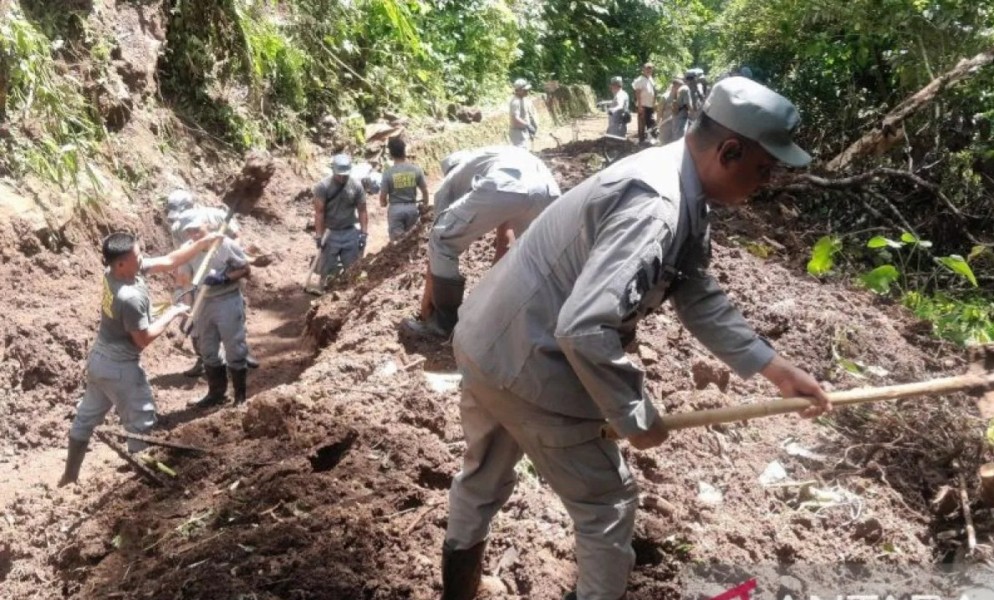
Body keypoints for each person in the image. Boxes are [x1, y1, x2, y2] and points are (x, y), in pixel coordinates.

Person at [439, 77, 832, 600]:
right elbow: (585, 326)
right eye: (763, 169)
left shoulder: (677, 180)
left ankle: (457, 590)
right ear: (730, 150)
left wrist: (774, 369)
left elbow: (696, 293)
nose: (766, 183)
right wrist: (633, 412)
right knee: (607, 505)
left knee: (482, 475)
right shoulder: (657, 203)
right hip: (530, 362)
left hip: (487, 341)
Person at [58, 230, 223, 487]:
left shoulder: (115, 273)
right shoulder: (129, 298)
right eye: (137, 255)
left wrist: (201, 244)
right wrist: (172, 313)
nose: (142, 257)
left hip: (99, 362)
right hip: (121, 369)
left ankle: (69, 477)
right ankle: (139, 490)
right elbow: (143, 339)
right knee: (141, 423)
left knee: (86, 418)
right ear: (122, 263)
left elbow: (169, 260)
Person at [403, 146, 561, 339]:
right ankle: (539, 322)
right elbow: (506, 243)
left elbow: (438, 246)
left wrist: (427, 304)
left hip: (506, 186)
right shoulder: (493, 161)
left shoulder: (451, 182)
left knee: (442, 239)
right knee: (536, 254)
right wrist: (489, 294)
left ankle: (443, 325)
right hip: (550, 190)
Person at [179, 214, 253, 408]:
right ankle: (216, 394)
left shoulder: (225, 245)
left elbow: (246, 270)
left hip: (227, 300)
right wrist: (188, 312)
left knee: (234, 348)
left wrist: (225, 278)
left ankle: (240, 397)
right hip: (202, 303)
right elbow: (186, 283)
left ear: (208, 227)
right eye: (190, 231)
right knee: (207, 349)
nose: (194, 235)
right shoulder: (187, 250)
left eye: (198, 230)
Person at [312, 153, 369, 285]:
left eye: (345, 175)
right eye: (340, 175)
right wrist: (319, 235)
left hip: (350, 233)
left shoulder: (356, 186)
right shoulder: (323, 187)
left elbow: (362, 210)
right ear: (333, 170)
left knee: (352, 270)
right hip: (330, 233)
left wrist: (364, 233)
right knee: (327, 271)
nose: (342, 177)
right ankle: (323, 293)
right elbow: (319, 213)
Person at [379, 137, 429, 241]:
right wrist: (425, 205)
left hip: (395, 210)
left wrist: (383, 203)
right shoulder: (416, 170)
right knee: (411, 242)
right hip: (412, 209)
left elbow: (382, 198)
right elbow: (425, 191)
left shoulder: (388, 173)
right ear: (404, 151)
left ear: (391, 154)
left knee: (398, 245)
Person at [508, 78, 538, 150]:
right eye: (525, 90)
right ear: (518, 91)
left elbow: (527, 114)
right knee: (521, 152)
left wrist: (532, 125)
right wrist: (527, 125)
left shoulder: (523, 99)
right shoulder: (515, 102)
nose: (527, 91)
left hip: (524, 130)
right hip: (517, 132)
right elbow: (516, 118)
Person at [631, 62, 657, 144]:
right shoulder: (640, 80)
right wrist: (639, 106)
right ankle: (641, 140)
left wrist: (654, 103)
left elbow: (653, 91)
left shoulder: (651, 79)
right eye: (647, 68)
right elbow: (637, 93)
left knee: (651, 122)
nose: (649, 70)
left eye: (650, 69)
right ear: (643, 69)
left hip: (650, 105)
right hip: (642, 105)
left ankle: (650, 138)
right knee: (642, 123)